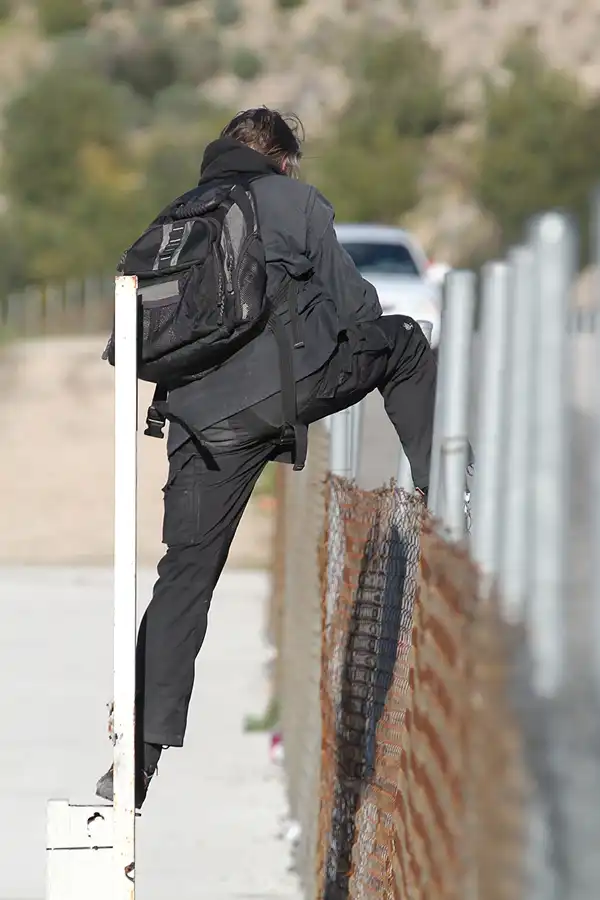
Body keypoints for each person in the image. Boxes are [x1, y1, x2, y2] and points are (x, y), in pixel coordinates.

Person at [95, 107, 437, 808]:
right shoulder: (292, 200)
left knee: (183, 582)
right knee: (403, 342)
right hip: (281, 393)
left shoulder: (178, 213)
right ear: (284, 159)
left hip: (196, 426)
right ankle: (457, 508)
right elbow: (357, 310)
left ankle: (136, 759)